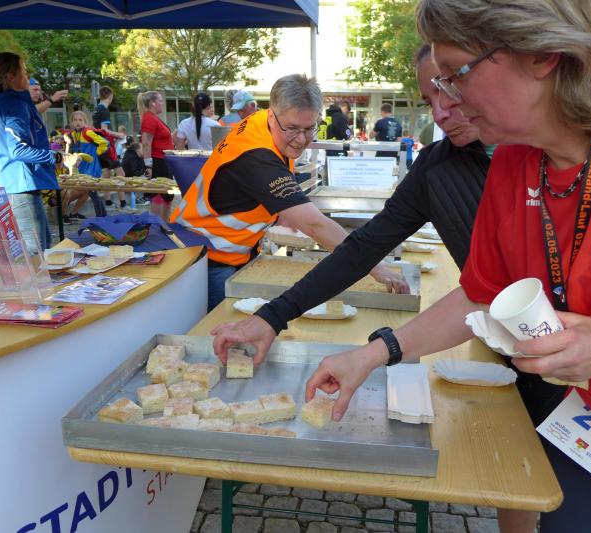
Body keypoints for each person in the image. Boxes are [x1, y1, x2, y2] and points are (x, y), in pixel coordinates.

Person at [300, 1, 591, 532]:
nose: (448, 101)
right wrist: (370, 355)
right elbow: (483, 294)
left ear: (541, 53)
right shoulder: (513, 155)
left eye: (455, 74)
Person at [211, 45, 561, 533]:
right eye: (429, 98)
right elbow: (365, 249)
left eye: (451, 89)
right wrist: (272, 316)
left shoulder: (553, 150)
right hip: (519, 349)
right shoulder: (439, 166)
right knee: (523, 479)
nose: (441, 111)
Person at [172, 74, 408, 312]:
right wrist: (373, 266)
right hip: (209, 255)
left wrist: (284, 214)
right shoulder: (256, 156)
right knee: (224, 324)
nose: (301, 139)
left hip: (236, 250)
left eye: (310, 128)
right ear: (272, 116)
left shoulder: (268, 123)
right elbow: (315, 225)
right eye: (293, 129)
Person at [0, 52, 62, 253]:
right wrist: (54, 156)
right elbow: (17, 150)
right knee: (35, 250)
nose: (27, 76)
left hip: (5, 182)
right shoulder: (14, 106)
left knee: (39, 245)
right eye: (24, 71)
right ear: (11, 76)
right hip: (20, 184)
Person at [138, 90, 176, 222]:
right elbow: (146, 143)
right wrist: (149, 165)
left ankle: (164, 226)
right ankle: (157, 227)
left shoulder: (153, 118)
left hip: (163, 161)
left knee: (167, 196)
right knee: (159, 195)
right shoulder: (149, 119)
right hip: (158, 162)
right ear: (152, 103)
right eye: (160, 101)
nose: (163, 103)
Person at [66, 110, 108, 219]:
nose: (78, 122)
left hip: (91, 167)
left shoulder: (88, 132)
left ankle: (101, 217)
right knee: (92, 192)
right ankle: (102, 216)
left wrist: (97, 152)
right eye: (75, 120)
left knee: (92, 192)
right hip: (82, 167)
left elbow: (104, 142)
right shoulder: (73, 134)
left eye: (80, 120)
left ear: (85, 122)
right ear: (72, 122)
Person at [92, 86, 127, 209]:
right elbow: (104, 130)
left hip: (99, 146)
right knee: (120, 174)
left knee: (106, 174)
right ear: (110, 97)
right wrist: (119, 135)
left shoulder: (96, 109)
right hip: (107, 147)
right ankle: (123, 203)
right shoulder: (104, 110)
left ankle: (108, 202)